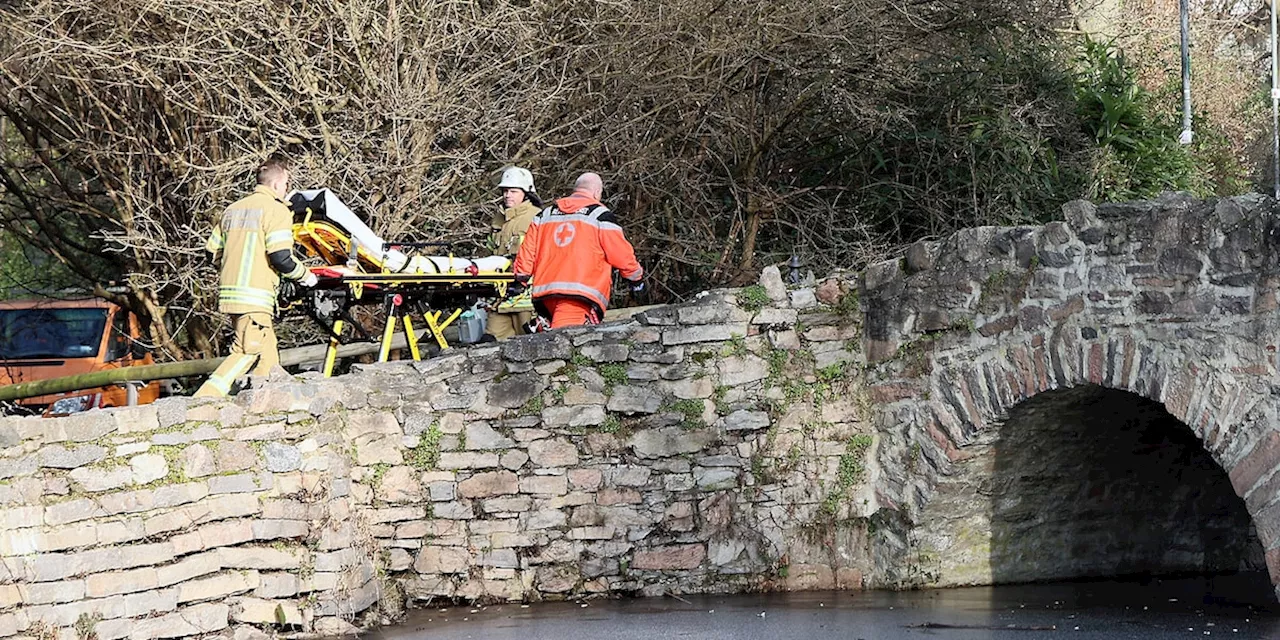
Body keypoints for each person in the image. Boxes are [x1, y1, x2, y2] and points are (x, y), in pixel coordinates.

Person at [194, 155, 317, 398]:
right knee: (246, 351)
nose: (286, 190)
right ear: (275, 185)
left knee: (267, 354)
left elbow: (211, 253)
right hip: (256, 295)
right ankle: (202, 401)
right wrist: (305, 276)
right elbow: (281, 257)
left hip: (232, 293)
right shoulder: (277, 210)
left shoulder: (232, 210)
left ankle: (271, 402)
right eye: (285, 184)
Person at [512, 172, 644, 328]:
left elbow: (527, 252)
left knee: (555, 340)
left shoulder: (544, 215)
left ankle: (541, 325)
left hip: (545, 294)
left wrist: (520, 280)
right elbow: (622, 255)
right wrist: (637, 280)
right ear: (596, 193)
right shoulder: (600, 216)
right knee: (566, 345)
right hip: (579, 295)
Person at [486, 167, 541, 341]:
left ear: (526, 193)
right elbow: (490, 252)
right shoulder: (498, 219)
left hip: (527, 299)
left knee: (530, 344)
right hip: (500, 298)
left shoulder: (537, 218)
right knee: (490, 342)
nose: (507, 195)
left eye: (513, 191)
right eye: (505, 191)